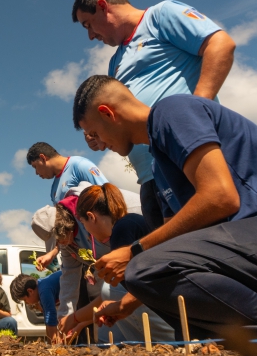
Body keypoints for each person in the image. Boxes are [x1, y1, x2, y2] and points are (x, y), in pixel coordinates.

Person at [72, 74, 257, 355]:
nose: (100, 145)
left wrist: (135, 251)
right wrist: (131, 301)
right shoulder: (160, 167)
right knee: (151, 278)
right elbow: (172, 254)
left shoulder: (172, 112)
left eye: (94, 133)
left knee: (142, 264)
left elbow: (220, 197)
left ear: (107, 113)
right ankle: (234, 350)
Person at [71, 0, 236, 230]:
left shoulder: (160, 16)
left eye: (88, 25)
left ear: (103, 6)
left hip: (189, 159)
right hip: (150, 177)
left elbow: (220, 44)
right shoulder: (115, 63)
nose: (91, 35)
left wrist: (193, 115)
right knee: (166, 252)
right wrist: (100, 134)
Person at [56, 184, 174, 343]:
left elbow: (116, 292)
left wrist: (74, 318)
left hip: (167, 310)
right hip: (166, 300)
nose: (88, 233)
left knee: (108, 289)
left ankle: (161, 343)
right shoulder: (130, 222)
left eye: (83, 224)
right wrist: (80, 321)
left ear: (91, 217)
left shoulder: (122, 232)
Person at [26, 142, 108, 318]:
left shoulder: (79, 166)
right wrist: (53, 252)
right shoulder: (55, 189)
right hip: (84, 255)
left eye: (35, 167)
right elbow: (63, 226)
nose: (36, 173)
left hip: (105, 244)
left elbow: (109, 198)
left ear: (43, 158)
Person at [10, 272, 62, 342]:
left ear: (30, 291)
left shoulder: (44, 291)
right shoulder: (41, 288)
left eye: (25, 300)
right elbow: (47, 320)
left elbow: (50, 317)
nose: (26, 303)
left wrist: (53, 342)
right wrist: (49, 341)